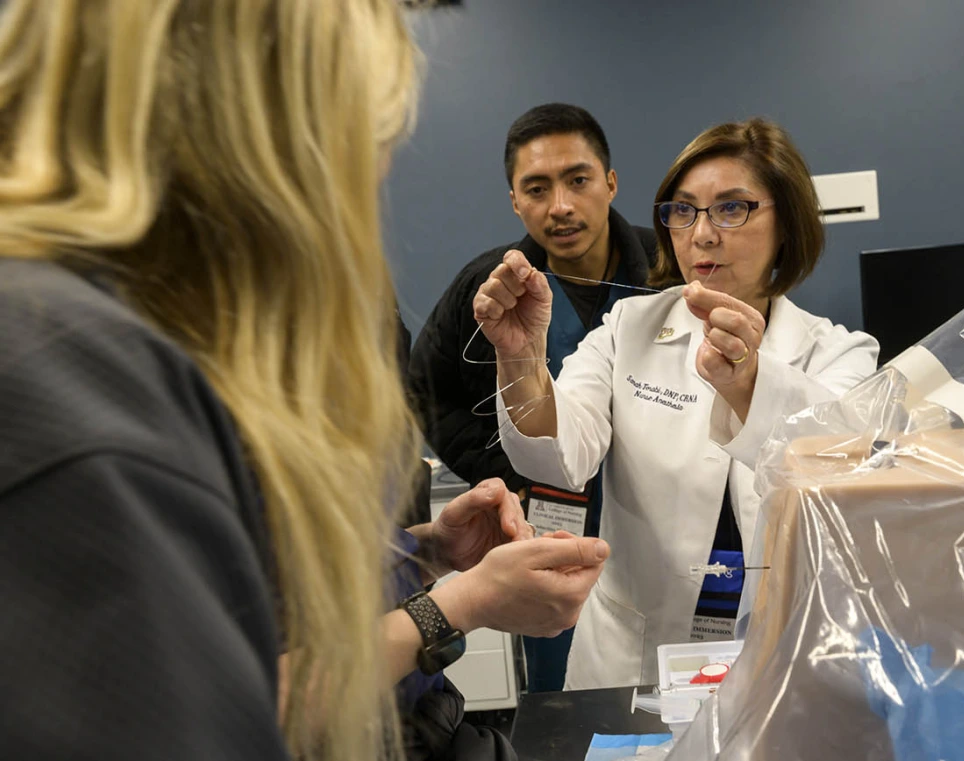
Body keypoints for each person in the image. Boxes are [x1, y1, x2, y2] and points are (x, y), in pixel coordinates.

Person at [0, 3, 607, 761]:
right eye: (367, 134)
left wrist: (420, 551)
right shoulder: (71, 377)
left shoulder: (168, 327)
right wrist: (456, 603)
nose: (376, 172)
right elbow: (239, 701)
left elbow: (248, 588)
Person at [474, 117, 881, 690]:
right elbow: (558, 455)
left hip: (784, 659)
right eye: (683, 210)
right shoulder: (628, 327)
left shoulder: (838, 353)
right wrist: (519, 359)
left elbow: (840, 475)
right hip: (633, 660)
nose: (702, 234)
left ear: (786, 222)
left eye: (732, 208)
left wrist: (748, 383)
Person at [408, 102, 656, 691]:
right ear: (515, 201)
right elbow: (426, 389)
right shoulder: (491, 286)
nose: (561, 206)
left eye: (578, 180)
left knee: (670, 675)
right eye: (537, 188)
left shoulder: (669, 273)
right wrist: (506, 472)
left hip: (656, 516)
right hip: (553, 523)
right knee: (563, 686)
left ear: (611, 182)